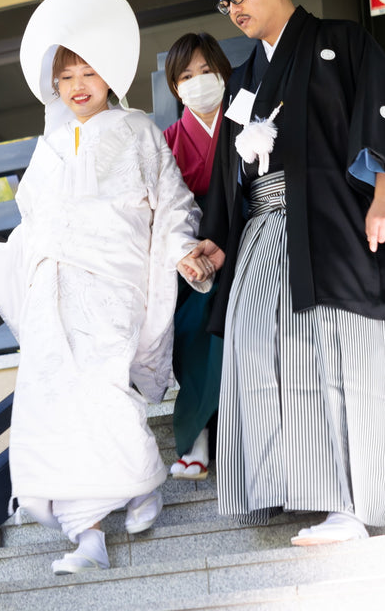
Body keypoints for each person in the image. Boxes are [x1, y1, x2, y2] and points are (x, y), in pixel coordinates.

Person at [0, 0, 211, 575]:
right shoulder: (48, 148)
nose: (79, 84)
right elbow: (32, 230)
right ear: (54, 86)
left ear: (109, 76)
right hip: (51, 297)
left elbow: (174, 205)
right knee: (50, 407)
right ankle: (86, 537)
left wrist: (182, 250)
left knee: (103, 394)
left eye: (89, 71)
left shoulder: (139, 132)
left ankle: (141, 482)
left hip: (113, 287)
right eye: (67, 75)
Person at [184, 0, 385, 546]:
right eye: (224, 1)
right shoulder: (243, 83)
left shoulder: (342, 42)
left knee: (338, 351)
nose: (232, 7)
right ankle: (279, 485)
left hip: (334, 222)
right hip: (264, 231)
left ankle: (351, 503)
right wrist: (216, 243)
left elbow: (383, 112)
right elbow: (225, 177)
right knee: (256, 345)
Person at [161, 32, 230, 481]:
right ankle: (198, 436)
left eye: (207, 71)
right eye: (187, 75)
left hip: (248, 239)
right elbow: (162, 210)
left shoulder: (248, 120)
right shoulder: (165, 140)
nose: (199, 81)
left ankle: (207, 434)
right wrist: (186, 252)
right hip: (190, 253)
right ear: (175, 88)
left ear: (224, 72)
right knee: (188, 321)